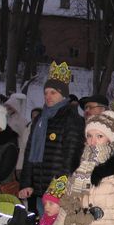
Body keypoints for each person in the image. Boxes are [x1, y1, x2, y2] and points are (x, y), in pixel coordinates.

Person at [19, 62, 85, 213]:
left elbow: (71, 159)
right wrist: (26, 183)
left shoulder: (72, 120)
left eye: (53, 92)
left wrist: (59, 189)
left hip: (58, 192)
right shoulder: (40, 119)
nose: (48, 96)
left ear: (63, 95)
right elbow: (29, 152)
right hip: (39, 189)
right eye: (46, 92)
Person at [4, 93, 29, 174]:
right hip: (7, 147)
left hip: (17, 147)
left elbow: (24, 136)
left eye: (10, 106)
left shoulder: (22, 120)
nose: (8, 108)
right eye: (7, 106)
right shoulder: (6, 119)